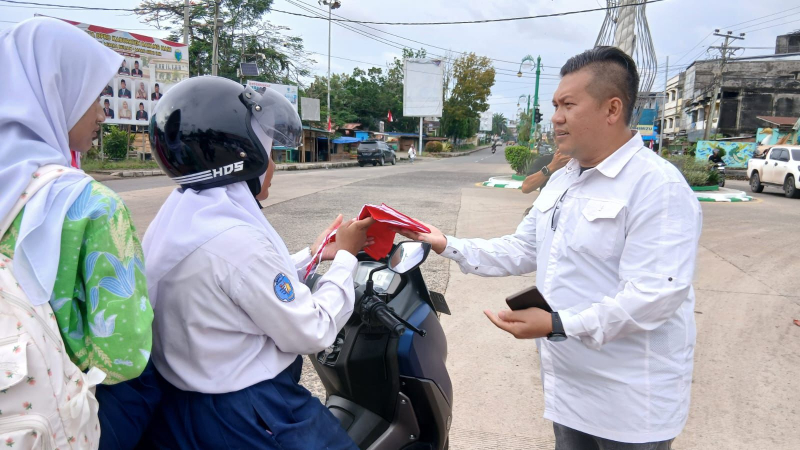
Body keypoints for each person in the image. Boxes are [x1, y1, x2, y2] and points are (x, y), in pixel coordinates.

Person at [395, 46, 702, 449]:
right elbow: (524, 247)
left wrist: (558, 324)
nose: (556, 117)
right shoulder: (563, 178)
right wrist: (447, 244)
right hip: (569, 389)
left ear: (612, 109)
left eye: (568, 105)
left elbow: (654, 296)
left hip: (631, 402)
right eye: (555, 104)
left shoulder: (656, 186)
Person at [143, 76, 372, 449]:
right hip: (252, 413)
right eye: (270, 152)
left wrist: (316, 255)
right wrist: (346, 258)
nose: (275, 167)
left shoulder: (181, 217)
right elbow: (312, 330)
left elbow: (239, 285)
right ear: (242, 153)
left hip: (184, 406)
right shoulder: (235, 241)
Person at [0, 17, 158, 449]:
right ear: (55, 93)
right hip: (70, 412)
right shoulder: (91, 205)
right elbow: (124, 354)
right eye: (94, 97)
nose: (103, 113)